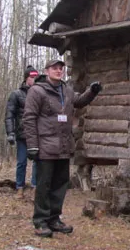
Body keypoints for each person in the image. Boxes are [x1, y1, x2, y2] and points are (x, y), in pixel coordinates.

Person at [23, 59, 102, 237]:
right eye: (54, 68)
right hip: (45, 146)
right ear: (47, 71)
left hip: (64, 147)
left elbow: (79, 101)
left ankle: (54, 219)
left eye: (61, 68)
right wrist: (32, 146)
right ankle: (41, 221)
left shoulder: (66, 90)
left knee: (60, 185)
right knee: (44, 185)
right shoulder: (37, 91)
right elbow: (28, 119)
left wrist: (92, 91)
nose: (58, 71)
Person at [6, 65, 39, 197]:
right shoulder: (16, 94)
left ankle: (35, 187)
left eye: (36, 76)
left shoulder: (40, 93)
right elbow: (9, 114)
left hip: (37, 134)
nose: (34, 79)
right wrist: (10, 133)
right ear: (26, 78)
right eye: (32, 77)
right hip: (22, 134)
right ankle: (19, 187)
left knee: (37, 162)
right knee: (21, 162)